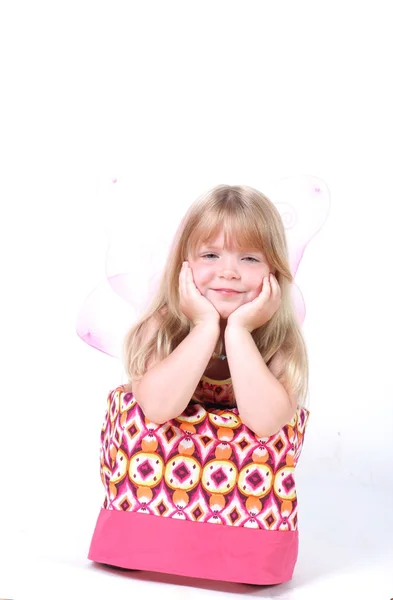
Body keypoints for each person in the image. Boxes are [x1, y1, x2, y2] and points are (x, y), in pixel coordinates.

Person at [88, 184, 310, 585]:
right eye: (211, 255)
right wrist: (205, 325)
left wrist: (240, 332)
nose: (228, 271)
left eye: (249, 258)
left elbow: (266, 424)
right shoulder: (160, 326)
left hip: (245, 511)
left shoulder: (278, 342)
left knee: (270, 425)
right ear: (184, 265)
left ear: (274, 271)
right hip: (150, 499)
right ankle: (144, 542)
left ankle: (239, 553)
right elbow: (157, 409)